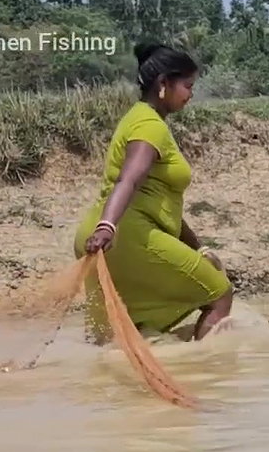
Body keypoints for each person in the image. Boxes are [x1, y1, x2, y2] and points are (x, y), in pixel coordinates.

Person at [74, 42, 232, 343]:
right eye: (187, 85)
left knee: (126, 332)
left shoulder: (138, 117)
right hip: (124, 236)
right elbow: (128, 181)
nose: (191, 94)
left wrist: (197, 249)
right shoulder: (149, 125)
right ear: (163, 84)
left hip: (106, 234)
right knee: (219, 294)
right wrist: (108, 227)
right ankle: (206, 374)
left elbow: (161, 204)